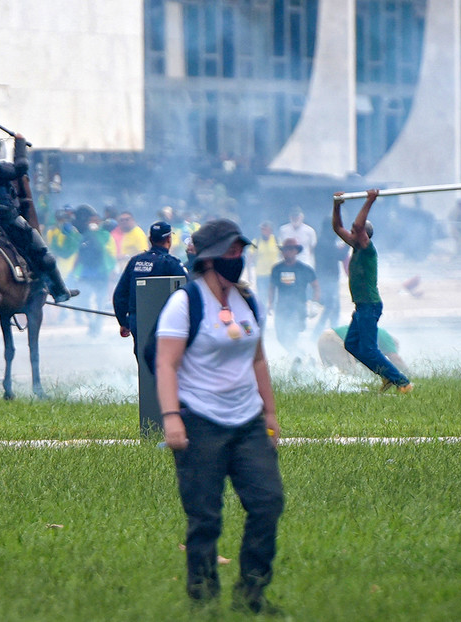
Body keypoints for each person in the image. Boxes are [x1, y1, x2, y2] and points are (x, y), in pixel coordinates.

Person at [154, 218, 284, 614]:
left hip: (247, 422)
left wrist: (271, 412)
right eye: (230, 251)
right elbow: (165, 364)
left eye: (240, 251)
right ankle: (204, 600)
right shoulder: (185, 303)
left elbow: (257, 358)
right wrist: (172, 417)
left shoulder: (247, 300)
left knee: (268, 502)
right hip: (199, 422)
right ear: (209, 258)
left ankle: (252, 595)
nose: (238, 257)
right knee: (205, 517)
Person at [0, 133, 73, 304]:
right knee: (43, 253)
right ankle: (60, 291)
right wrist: (20, 144)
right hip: (8, 221)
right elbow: (20, 168)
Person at [332, 189, 413, 393]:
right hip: (361, 307)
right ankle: (387, 376)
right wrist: (337, 205)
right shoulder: (355, 245)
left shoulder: (367, 249)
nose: (351, 233)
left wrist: (370, 200)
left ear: (365, 236)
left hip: (370, 305)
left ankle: (403, 382)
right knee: (351, 344)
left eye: (355, 231)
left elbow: (359, 225)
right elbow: (337, 227)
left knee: (368, 349)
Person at [112, 220, 188, 352]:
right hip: (164, 321)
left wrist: (123, 322)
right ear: (169, 239)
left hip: (137, 320)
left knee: (142, 358)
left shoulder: (135, 262)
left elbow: (119, 295)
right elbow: (188, 290)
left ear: (150, 239)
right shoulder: (171, 263)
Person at [269, 238, 319, 357]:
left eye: (291, 250)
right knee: (280, 336)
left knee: (292, 333)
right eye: (285, 250)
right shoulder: (277, 269)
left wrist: (314, 304)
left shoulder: (305, 269)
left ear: (296, 251)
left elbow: (316, 286)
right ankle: (301, 355)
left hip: (298, 308)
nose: (288, 252)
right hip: (281, 308)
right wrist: (270, 304)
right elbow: (271, 288)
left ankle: (298, 359)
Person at [71, 204, 116, 336]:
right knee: (84, 299)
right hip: (86, 272)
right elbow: (79, 253)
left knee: (100, 300)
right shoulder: (84, 235)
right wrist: (74, 271)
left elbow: (110, 253)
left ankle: (98, 325)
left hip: (101, 272)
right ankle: (91, 322)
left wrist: (112, 270)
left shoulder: (105, 234)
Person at [318, 324, 409, 377]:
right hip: (336, 339)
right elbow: (396, 359)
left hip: (325, 337)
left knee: (329, 371)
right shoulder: (387, 339)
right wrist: (409, 374)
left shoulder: (372, 346)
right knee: (347, 373)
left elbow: (368, 368)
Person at [312, 217, 349, 336]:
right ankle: (321, 332)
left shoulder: (324, 241)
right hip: (327, 279)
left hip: (328, 279)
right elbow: (340, 255)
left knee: (332, 307)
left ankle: (330, 331)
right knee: (331, 307)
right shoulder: (325, 242)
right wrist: (348, 243)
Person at [247, 221, 280, 317]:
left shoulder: (276, 240)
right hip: (260, 273)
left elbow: (283, 255)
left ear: (270, 230)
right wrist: (249, 273)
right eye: (262, 229)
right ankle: (263, 314)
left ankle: (273, 310)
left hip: (274, 274)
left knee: (275, 294)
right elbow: (250, 257)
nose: (263, 231)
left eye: (265, 229)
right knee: (262, 296)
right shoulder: (256, 241)